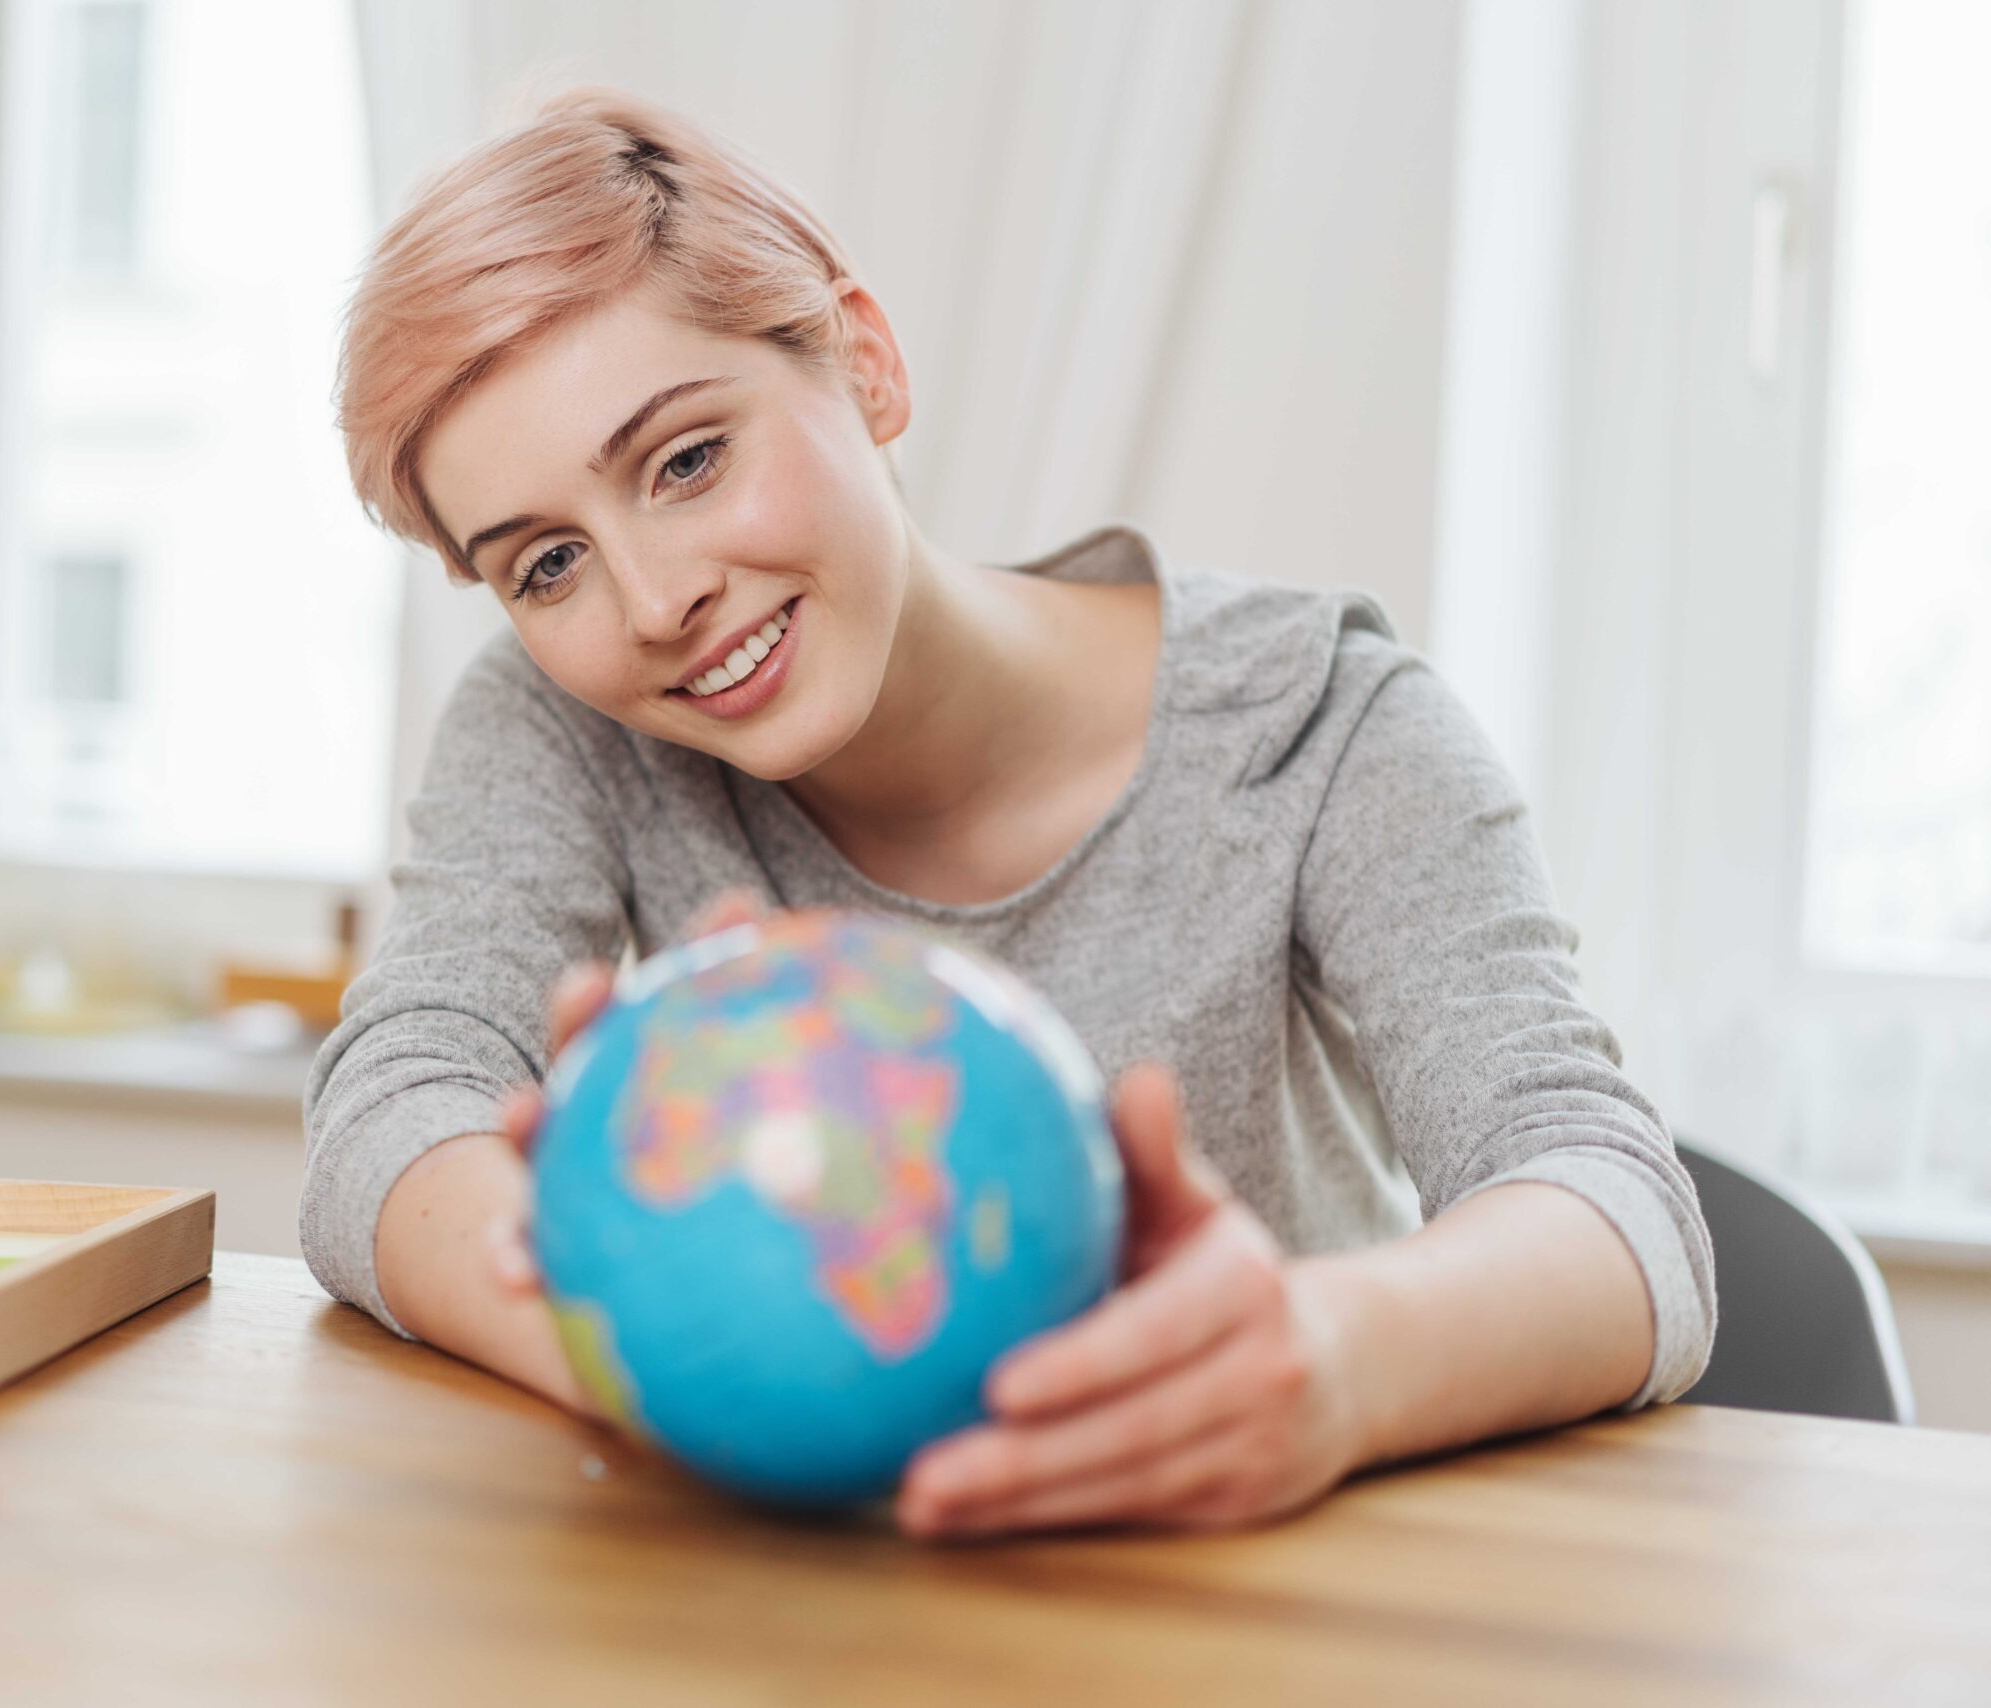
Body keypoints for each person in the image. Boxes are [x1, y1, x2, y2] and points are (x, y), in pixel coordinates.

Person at [304, 86, 1715, 1541]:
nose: (655, 605)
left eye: (687, 460)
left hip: (1240, 1591)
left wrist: (1332, 1364)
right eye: (545, 564)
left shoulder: (1323, 725)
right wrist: (643, 1349)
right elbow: (394, 1110)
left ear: (865, 364)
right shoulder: (559, 724)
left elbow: (1613, 1206)